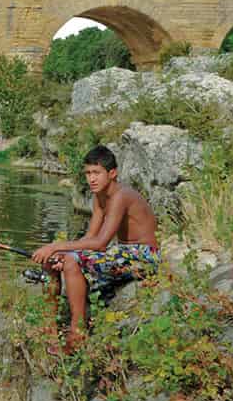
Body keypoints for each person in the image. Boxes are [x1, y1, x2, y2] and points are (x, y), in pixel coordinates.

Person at [30, 145, 160, 352]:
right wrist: (57, 253)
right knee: (54, 261)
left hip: (143, 255)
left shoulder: (121, 196)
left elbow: (100, 243)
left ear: (112, 173)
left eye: (96, 173)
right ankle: (49, 329)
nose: (91, 179)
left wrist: (55, 245)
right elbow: (90, 237)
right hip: (120, 252)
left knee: (72, 259)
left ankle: (77, 334)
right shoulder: (98, 197)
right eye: (88, 173)